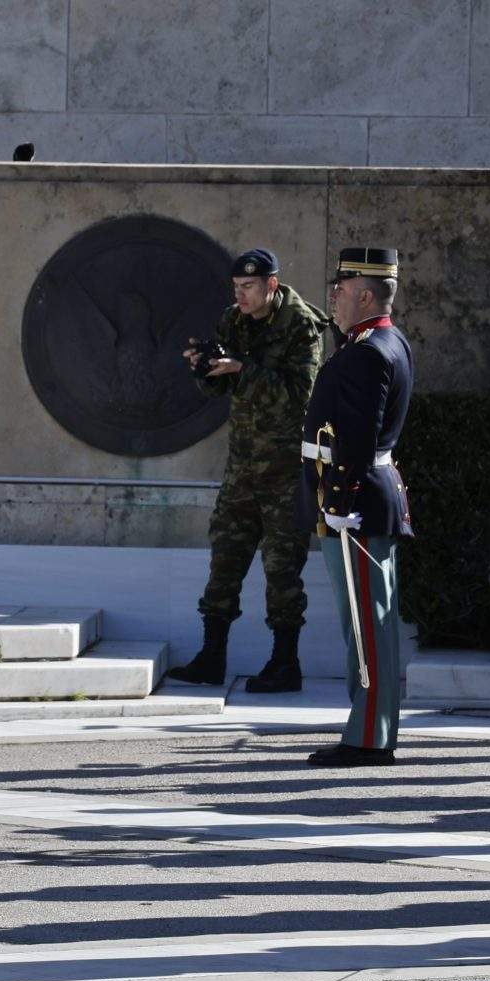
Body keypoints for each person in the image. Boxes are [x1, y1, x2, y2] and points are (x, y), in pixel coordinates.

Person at [169, 248, 326, 693]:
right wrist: (206, 368)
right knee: (225, 559)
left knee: (281, 569)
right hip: (242, 464)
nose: (240, 296)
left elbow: (300, 394)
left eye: (249, 288)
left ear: (271, 286)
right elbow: (221, 388)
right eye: (236, 288)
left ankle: (285, 662)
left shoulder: (301, 326)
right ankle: (211, 657)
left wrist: (243, 368)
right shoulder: (233, 320)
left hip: (285, 468)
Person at [299, 247, 413, 766]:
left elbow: (359, 443)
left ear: (365, 295)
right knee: (369, 621)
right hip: (361, 500)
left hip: (356, 504)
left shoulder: (369, 351)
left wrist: (339, 503)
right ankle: (372, 725)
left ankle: (369, 737)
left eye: (342, 290)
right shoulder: (383, 341)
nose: (334, 297)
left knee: (369, 623)